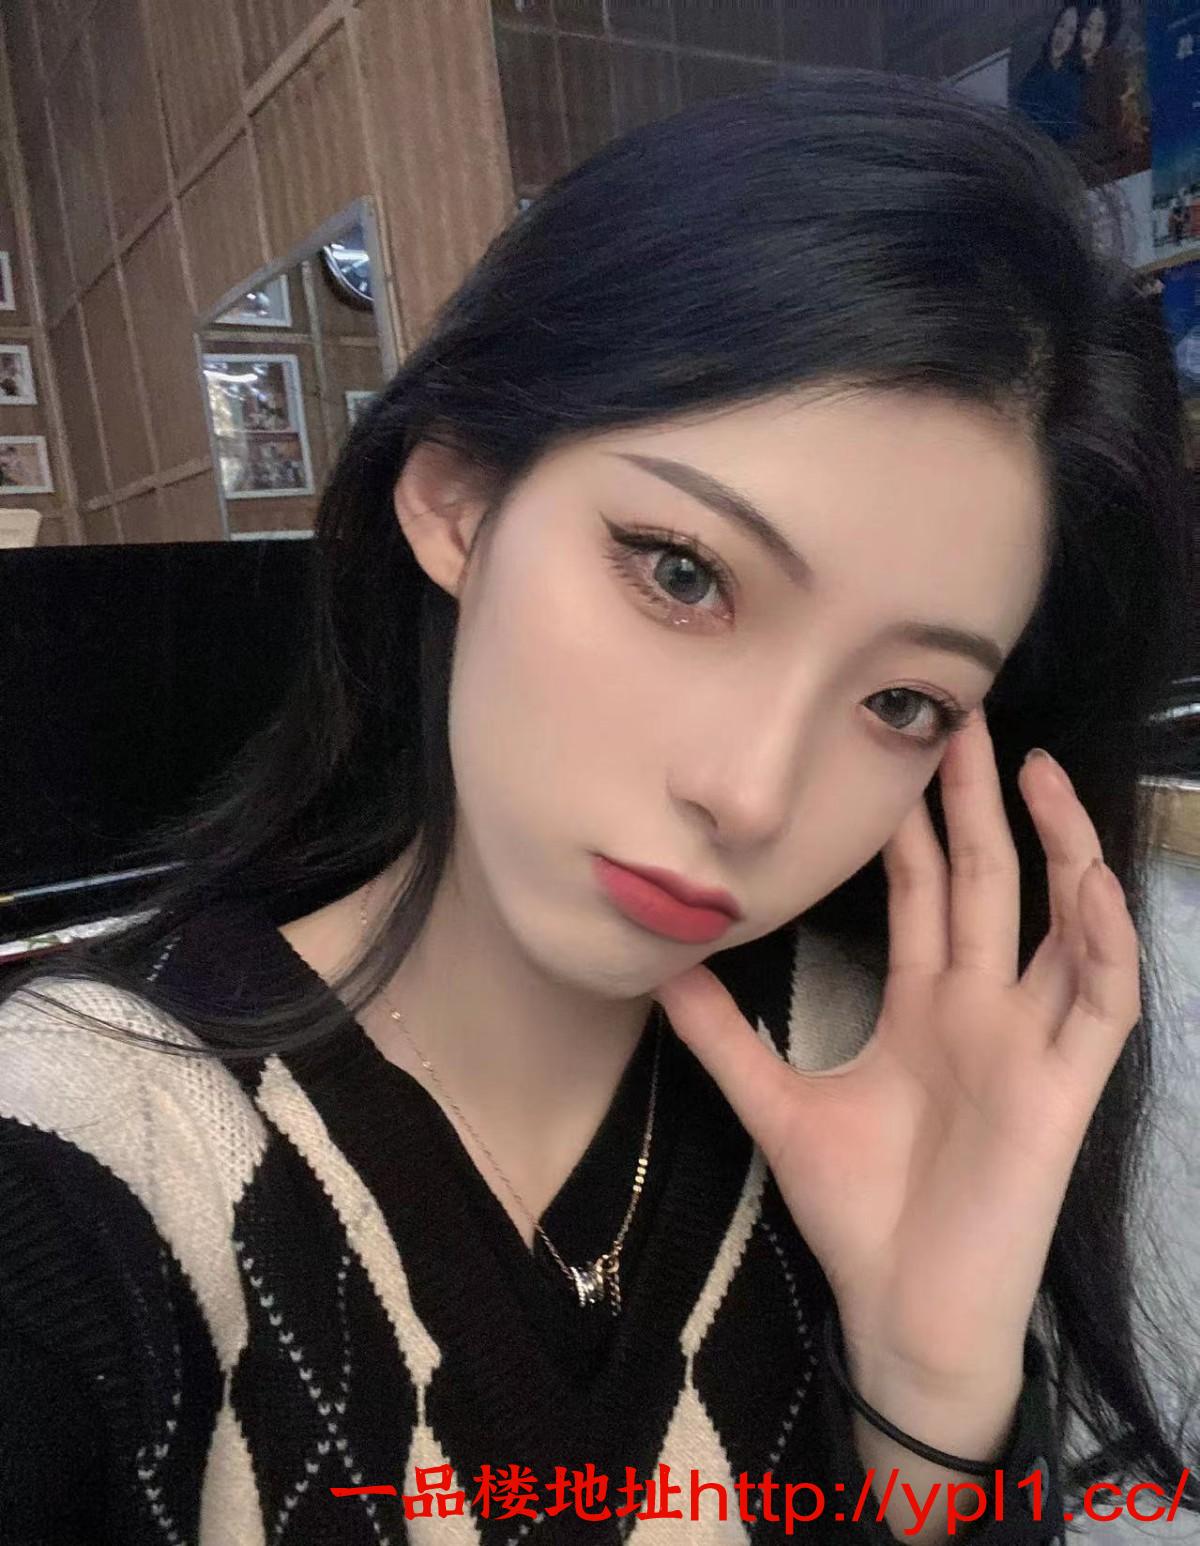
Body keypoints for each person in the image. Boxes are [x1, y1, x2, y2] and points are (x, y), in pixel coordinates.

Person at [1, 65, 1197, 1546]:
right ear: (457, 497)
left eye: (903, 700)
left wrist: (936, 1390)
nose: (751, 795)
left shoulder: (890, 1076)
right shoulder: (83, 1172)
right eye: (683, 573)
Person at [1013, 5, 1084, 145]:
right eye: (1061, 25)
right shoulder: (1032, 76)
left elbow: (1072, 126)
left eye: (1070, 32)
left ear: (1074, 40)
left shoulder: (1075, 79)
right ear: (1052, 28)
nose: (1062, 37)